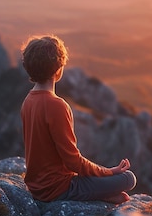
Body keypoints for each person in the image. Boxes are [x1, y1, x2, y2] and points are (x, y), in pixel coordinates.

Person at [20, 35, 136, 204]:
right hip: (59, 189)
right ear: (59, 69)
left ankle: (101, 194)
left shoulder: (28, 101)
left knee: (116, 181)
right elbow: (73, 161)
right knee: (128, 179)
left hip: (36, 187)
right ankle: (97, 195)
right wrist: (109, 172)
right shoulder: (57, 106)